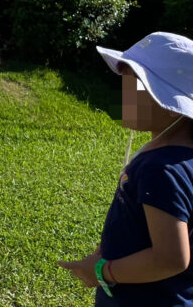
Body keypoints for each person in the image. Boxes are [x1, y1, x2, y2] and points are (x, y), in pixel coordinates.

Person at [59, 32, 193, 305]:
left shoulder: (161, 168)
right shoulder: (177, 158)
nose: (125, 95)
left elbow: (170, 258)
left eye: (136, 87)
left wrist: (100, 272)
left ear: (171, 105)